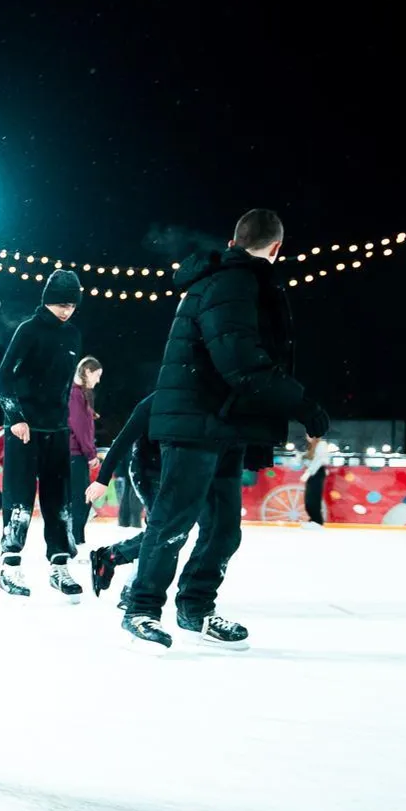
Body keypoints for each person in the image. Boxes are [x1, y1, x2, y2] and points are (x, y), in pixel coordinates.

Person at [123, 208, 329, 652]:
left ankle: (196, 608)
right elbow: (240, 360)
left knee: (223, 529)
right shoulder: (233, 282)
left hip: (225, 423)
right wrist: (302, 404)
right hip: (197, 422)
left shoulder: (236, 280)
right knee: (173, 522)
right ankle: (141, 609)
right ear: (277, 248)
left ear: (235, 241)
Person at [0, 269, 85, 601]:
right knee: (19, 499)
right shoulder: (29, 330)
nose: (66, 311)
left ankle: (59, 565)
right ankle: (10, 566)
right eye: (61, 304)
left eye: (71, 305)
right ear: (47, 300)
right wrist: (16, 418)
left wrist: (67, 422)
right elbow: (3, 379)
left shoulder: (73, 335)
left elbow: (64, 387)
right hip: (25, 430)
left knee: (59, 501)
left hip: (57, 430)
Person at [83, 393, 160, 604]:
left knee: (167, 533)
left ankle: (112, 557)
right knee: (161, 533)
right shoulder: (154, 402)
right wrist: (102, 479)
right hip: (149, 471)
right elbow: (122, 441)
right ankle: (133, 587)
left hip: (178, 476)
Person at [66, 356, 104, 552]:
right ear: (87, 372)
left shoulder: (79, 395)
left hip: (75, 454)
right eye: (97, 375)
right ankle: (75, 540)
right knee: (81, 499)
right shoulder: (76, 394)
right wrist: (91, 454)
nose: (98, 380)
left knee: (79, 498)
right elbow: (79, 427)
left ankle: (75, 538)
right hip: (75, 454)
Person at [302, 434, 339, 528]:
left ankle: (317, 521)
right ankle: (313, 520)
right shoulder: (311, 447)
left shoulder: (321, 444)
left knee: (313, 498)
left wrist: (308, 472)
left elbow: (319, 461)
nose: (307, 437)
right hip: (313, 472)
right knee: (309, 498)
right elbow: (311, 461)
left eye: (309, 435)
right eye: (306, 436)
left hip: (317, 472)